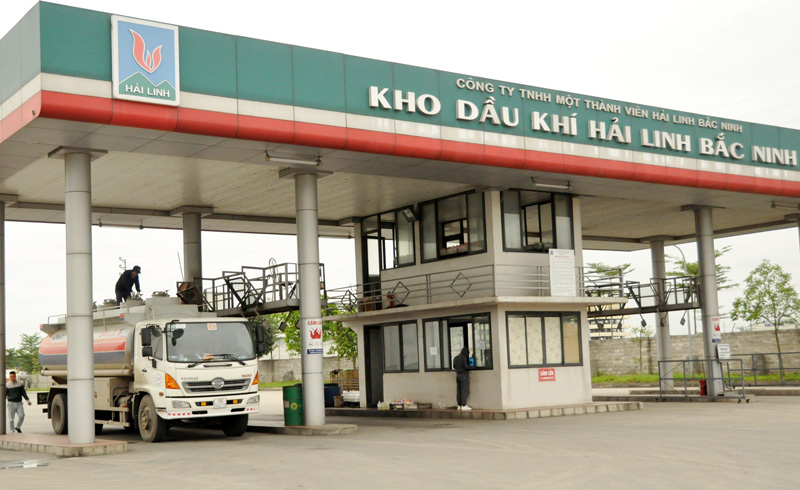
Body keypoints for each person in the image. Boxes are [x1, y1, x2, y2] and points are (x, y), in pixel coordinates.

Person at [453, 346, 472, 411]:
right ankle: (464, 405)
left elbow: (454, 366)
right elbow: (466, 367)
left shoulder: (455, 358)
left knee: (459, 390)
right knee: (464, 390)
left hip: (457, 375)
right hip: (464, 375)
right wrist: (471, 367)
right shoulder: (463, 358)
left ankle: (459, 405)